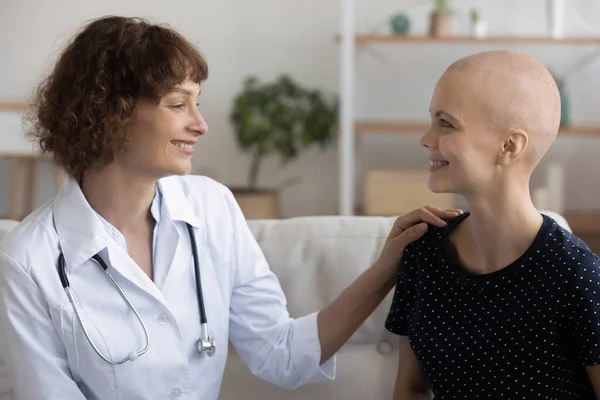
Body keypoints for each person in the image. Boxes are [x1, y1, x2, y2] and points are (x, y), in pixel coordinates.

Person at [0, 16, 461, 400]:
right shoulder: (29, 260)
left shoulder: (212, 207)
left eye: (196, 103)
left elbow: (281, 354)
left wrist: (386, 266)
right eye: (178, 103)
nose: (199, 124)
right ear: (110, 112)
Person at [385, 49, 600, 399]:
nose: (426, 138)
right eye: (431, 120)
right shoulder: (421, 253)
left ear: (509, 146)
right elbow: (409, 388)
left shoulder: (578, 275)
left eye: (446, 123)